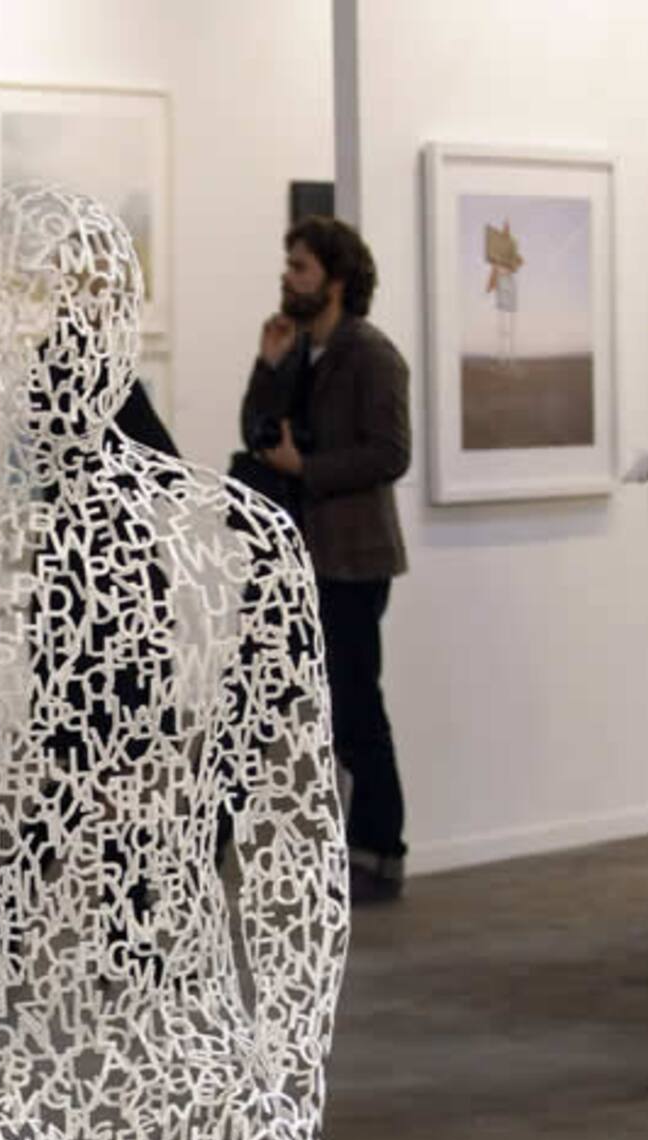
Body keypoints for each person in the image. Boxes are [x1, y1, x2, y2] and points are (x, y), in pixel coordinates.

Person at [240, 215, 410, 903]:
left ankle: (380, 851)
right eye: (289, 265)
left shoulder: (371, 354)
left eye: (301, 267)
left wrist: (307, 468)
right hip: (298, 556)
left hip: (352, 558)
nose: (288, 278)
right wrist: (267, 366)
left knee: (354, 705)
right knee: (272, 700)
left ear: (335, 281)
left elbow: (390, 453)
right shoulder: (299, 349)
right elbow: (257, 434)